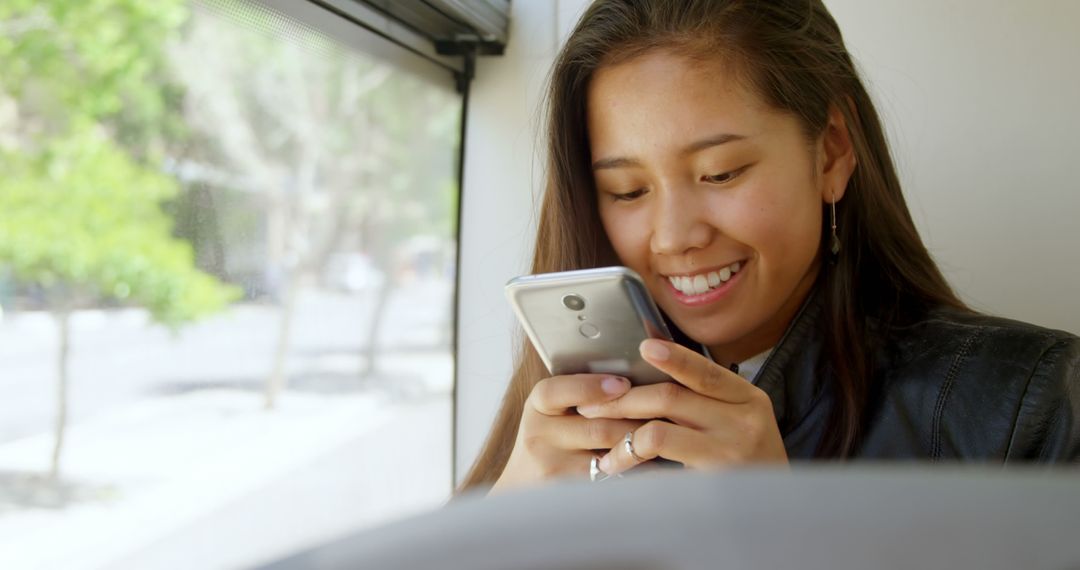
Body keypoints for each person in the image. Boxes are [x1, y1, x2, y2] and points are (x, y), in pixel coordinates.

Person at [459, 0, 1080, 494]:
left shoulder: (1036, 406)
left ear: (832, 151)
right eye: (627, 190)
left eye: (722, 173)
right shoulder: (554, 431)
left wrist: (780, 532)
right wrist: (503, 532)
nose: (675, 236)